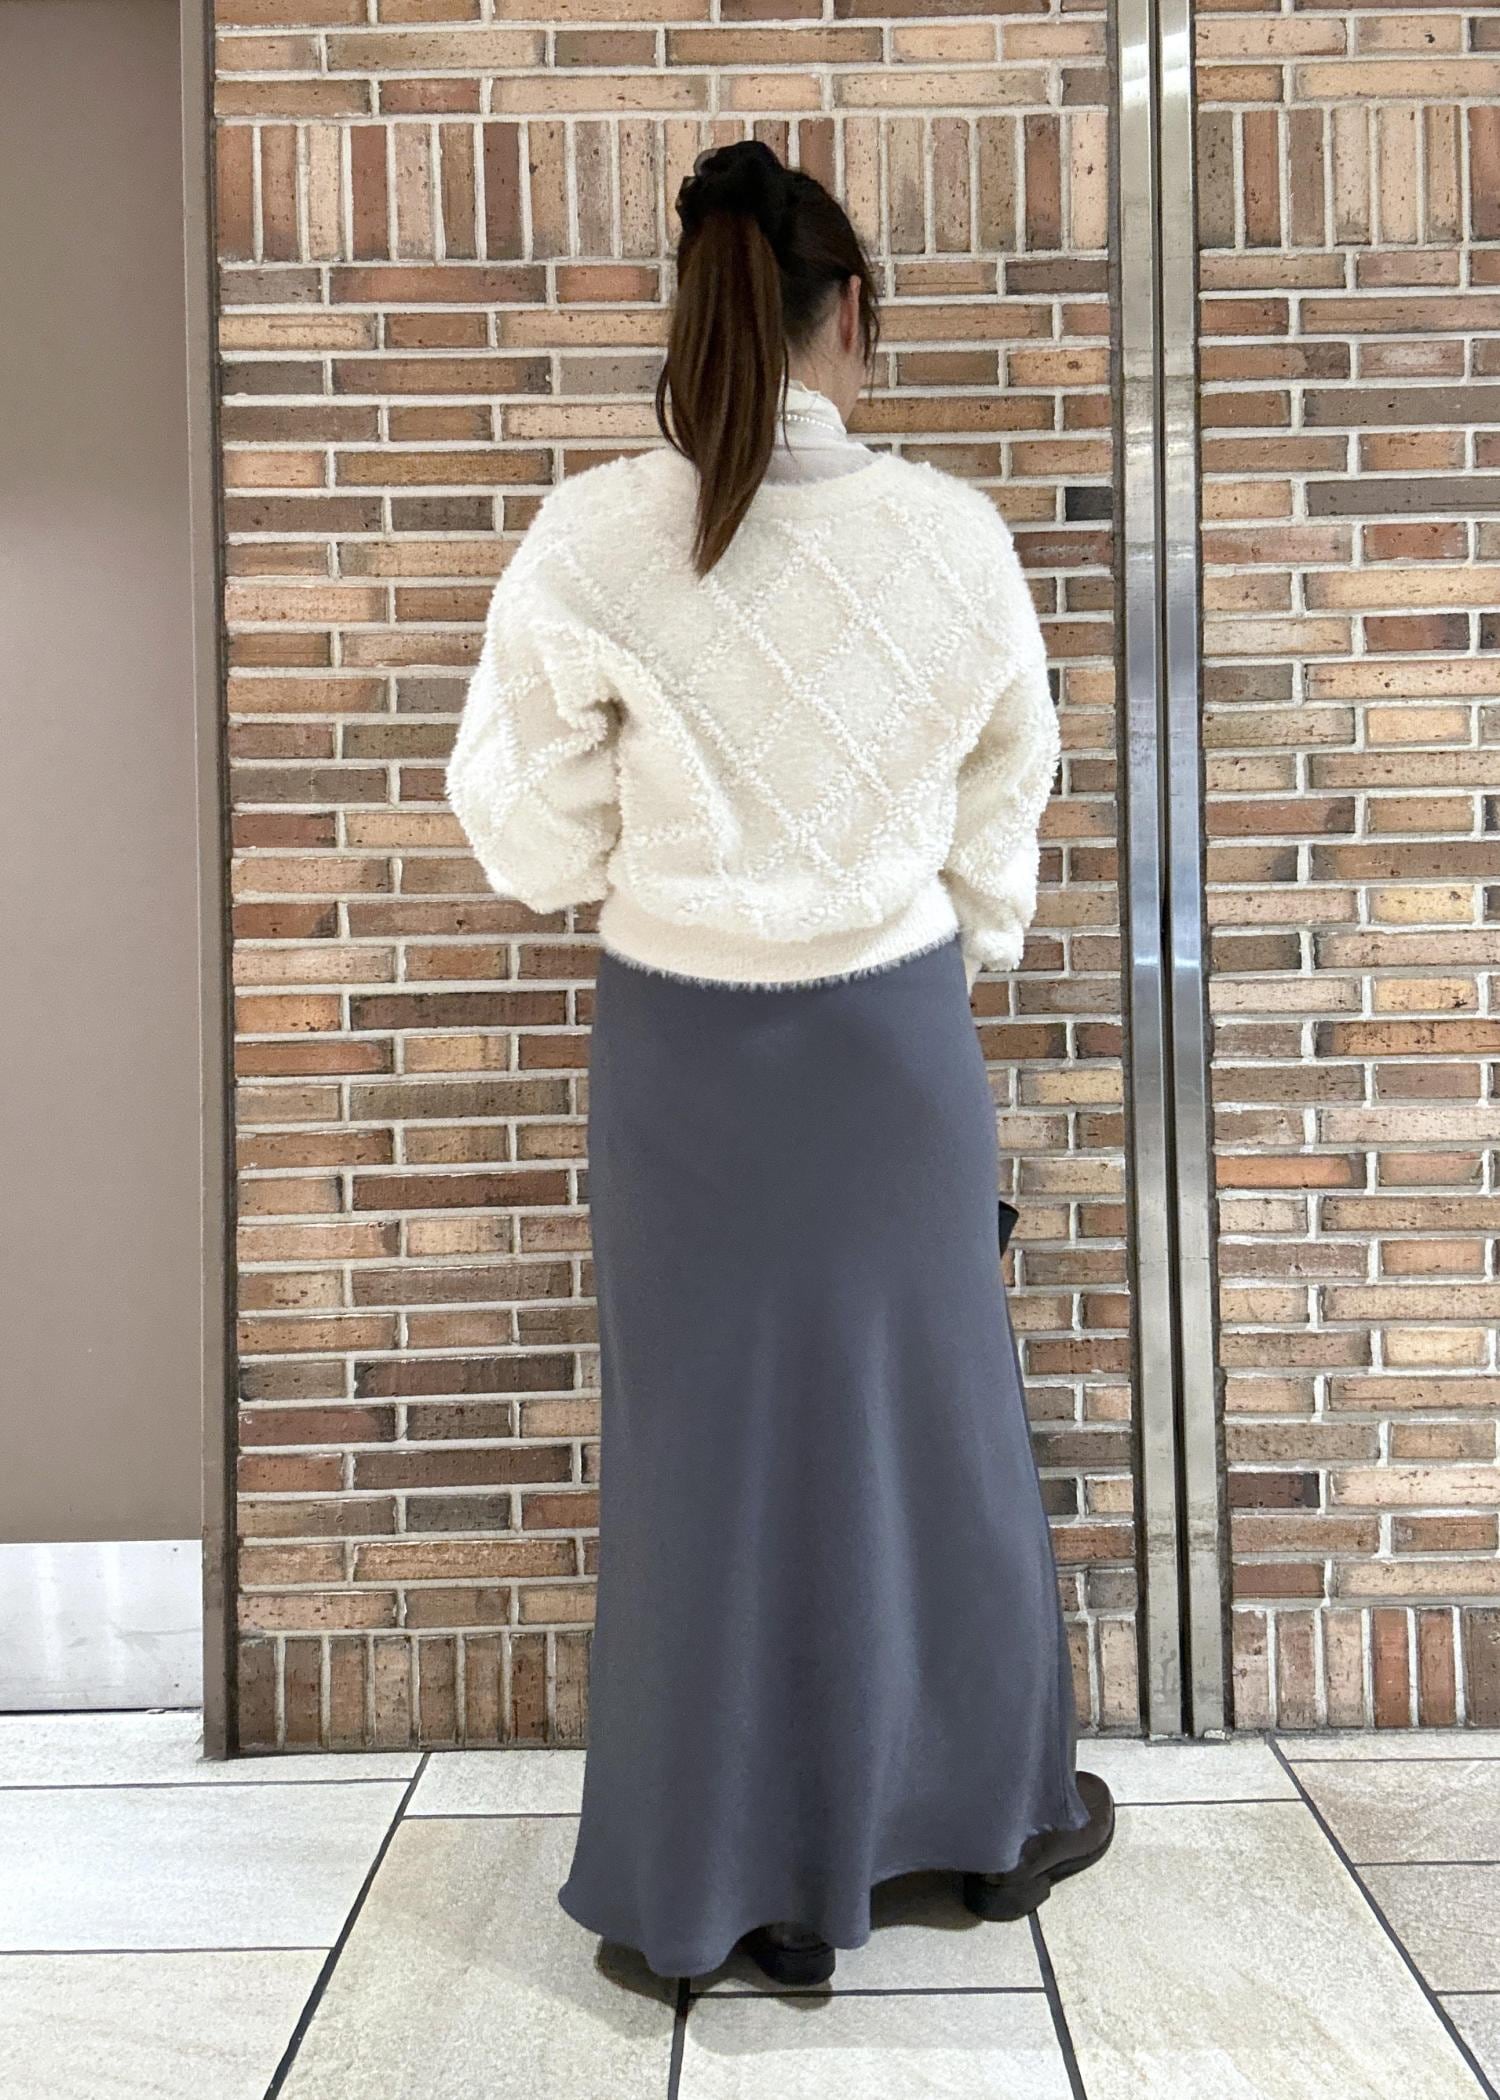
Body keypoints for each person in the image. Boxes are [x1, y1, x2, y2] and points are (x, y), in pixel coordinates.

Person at [445, 137, 1115, 1990]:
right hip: (892, 1050)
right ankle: (970, 1826)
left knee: (705, 1458)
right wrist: (954, 935)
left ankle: (712, 1875)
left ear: (694, 312)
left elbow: (522, 826)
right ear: (854, 315)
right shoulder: (951, 539)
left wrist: (651, 855)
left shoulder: (595, 537)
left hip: (683, 1055)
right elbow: (1007, 800)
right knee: (937, 1436)